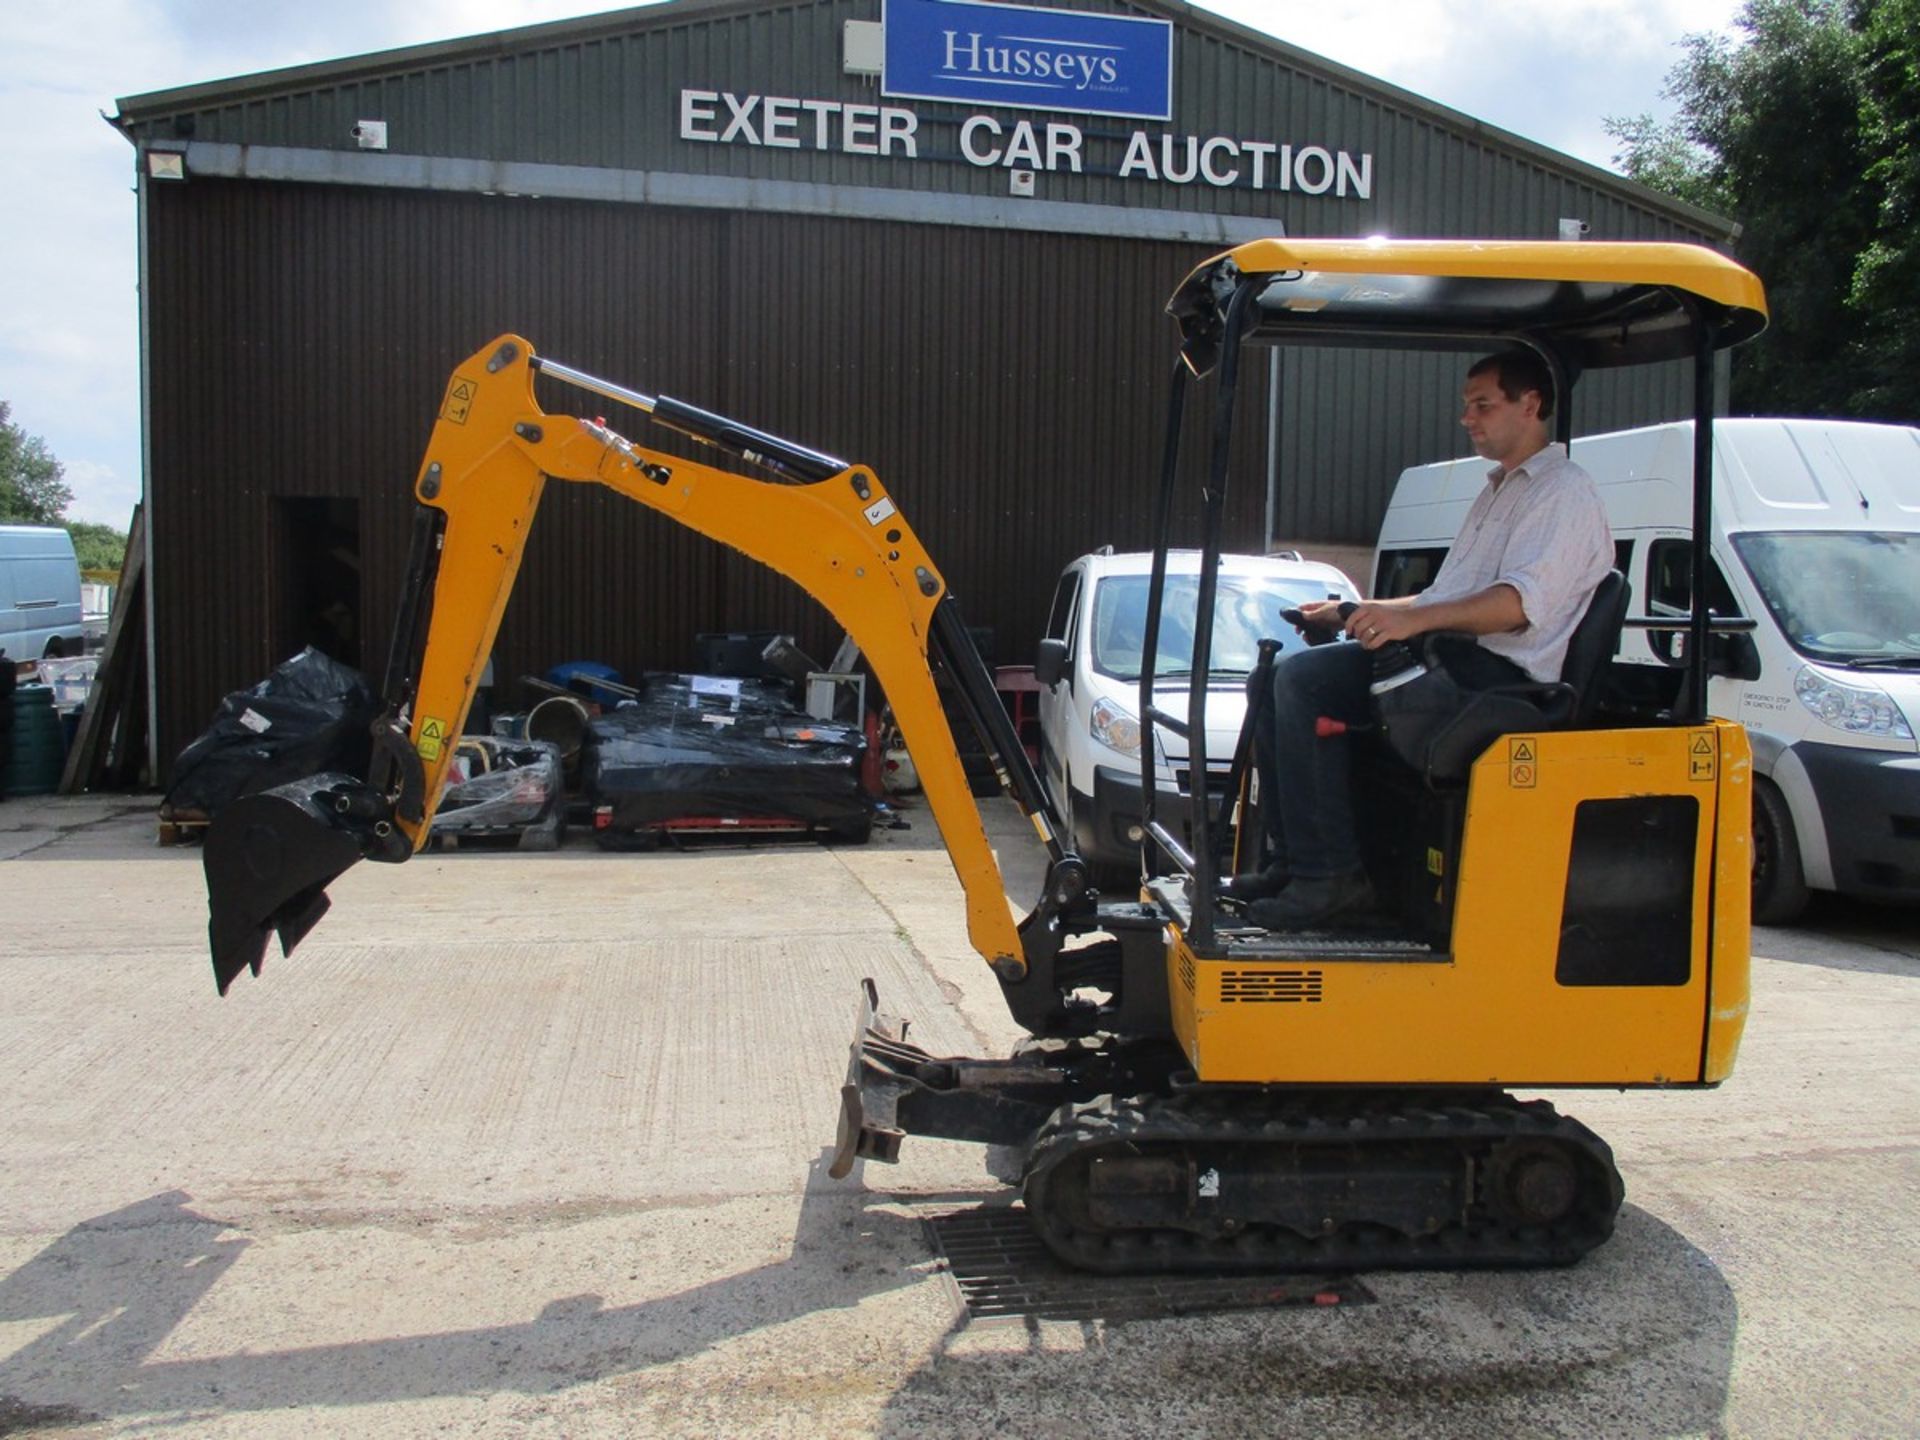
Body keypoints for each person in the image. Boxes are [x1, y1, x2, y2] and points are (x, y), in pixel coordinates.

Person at [1234, 350, 1614, 929]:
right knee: (1272, 677)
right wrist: (1354, 610)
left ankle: (1330, 876)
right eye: (1466, 406)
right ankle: (1294, 862)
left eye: (1483, 405)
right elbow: (1443, 596)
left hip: (1505, 684)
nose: (1468, 417)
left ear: (1531, 404)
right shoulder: (1498, 490)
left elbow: (1516, 606)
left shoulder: (1563, 494)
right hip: (1461, 665)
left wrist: (1412, 624)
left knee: (1306, 683)